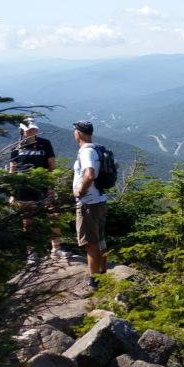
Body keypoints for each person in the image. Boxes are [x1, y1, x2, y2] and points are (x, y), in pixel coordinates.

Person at [9, 118, 62, 257]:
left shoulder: (45, 144)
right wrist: (12, 194)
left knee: (54, 215)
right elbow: (12, 172)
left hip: (44, 187)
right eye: (29, 130)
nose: (32, 131)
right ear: (22, 131)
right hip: (23, 189)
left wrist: (52, 187)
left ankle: (56, 248)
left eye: (34, 129)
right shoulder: (16, 147)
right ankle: (31, 253)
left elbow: (52, 167)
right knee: (27, 221)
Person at [72, 120, 108, 287]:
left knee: (90, 243)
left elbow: (90, 174)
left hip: (89, 203)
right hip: (101, 200)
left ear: (78, 133)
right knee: (100, 239)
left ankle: (94, 281)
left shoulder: (86, 152)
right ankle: (103, 273)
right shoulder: (98, 149)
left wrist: (81, 191)